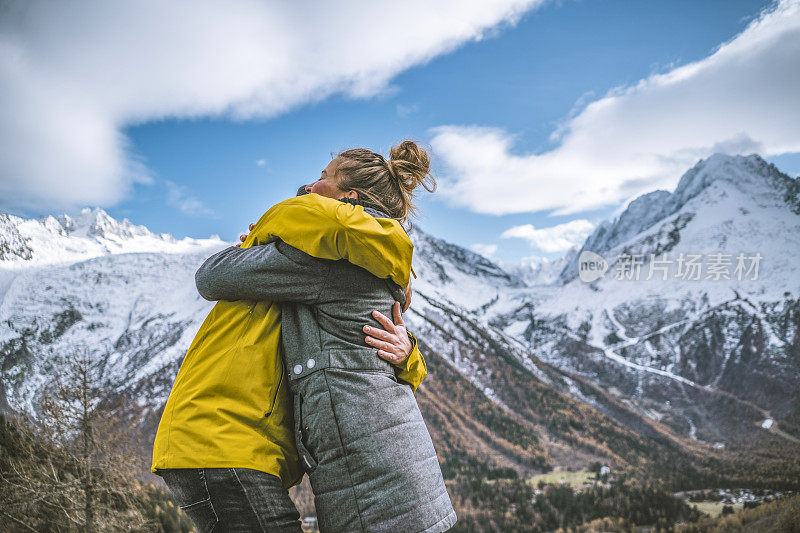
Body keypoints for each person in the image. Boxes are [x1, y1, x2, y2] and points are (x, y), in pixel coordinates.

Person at [187, 141, 456, 532]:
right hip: (393, 462)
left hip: (370, 472)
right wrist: (408, 356)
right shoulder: (373, 252)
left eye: (323, 178)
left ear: (348, 198)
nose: (308, 186)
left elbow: (212, 277)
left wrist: (262, 236)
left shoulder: (326, 259)